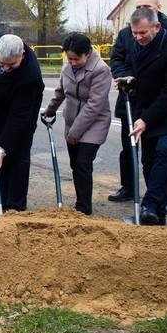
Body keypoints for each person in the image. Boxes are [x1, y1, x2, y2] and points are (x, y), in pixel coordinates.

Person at [116, 7, 167, 226]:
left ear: (156, 26)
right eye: (135, 33)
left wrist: (146, 119)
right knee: (148, 159)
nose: (139, 38)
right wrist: (128, 81)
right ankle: (156, 214)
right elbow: (130, 67)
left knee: (164, 150)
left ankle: (150, 205)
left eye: (143, 33)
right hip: (149, 106)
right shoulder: (136, 45)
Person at [0, 33, 44, 212]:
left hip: (22, 115)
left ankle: (16, 205)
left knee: (17, 155)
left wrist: (3, 150)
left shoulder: (30, 77)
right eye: (2, 63)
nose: (6, 68)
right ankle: (1, 201)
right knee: (0, 155)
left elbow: (18, 119)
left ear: (22, 56)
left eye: (12, 65)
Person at [42, 33, 112, 215]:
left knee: (82, 163)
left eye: (76, 59)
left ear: (87, 53)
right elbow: (60, 91)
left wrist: (75, 132)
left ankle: (83, 207)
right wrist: (49, 110)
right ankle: (80, 201)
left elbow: (94, 105)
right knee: (75, 164)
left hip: (94, 123)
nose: (72, 62)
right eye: (69, 58)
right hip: (72, 121)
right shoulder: (68, 66)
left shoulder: (101, 70)